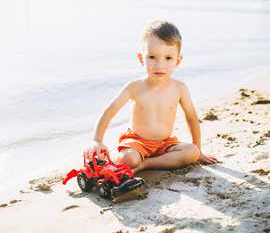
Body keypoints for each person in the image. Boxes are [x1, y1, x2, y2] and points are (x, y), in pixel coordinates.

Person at [83, 20, 217, 173]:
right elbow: (109, 112)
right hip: (137, 143)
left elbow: (192, 118)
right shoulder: (134, 86)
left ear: (178, 61)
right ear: (141, 59)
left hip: (165, 145)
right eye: (152, 57)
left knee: (191, 152)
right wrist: (97, 140)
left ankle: (146, 164)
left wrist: (199, 151)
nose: (160, 65)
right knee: (129, 160)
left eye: (168, 58)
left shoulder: (179, 88)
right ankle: (114, 153)